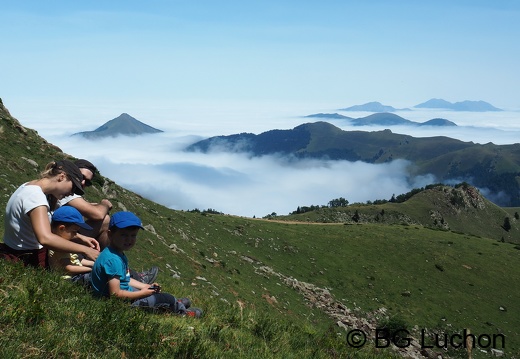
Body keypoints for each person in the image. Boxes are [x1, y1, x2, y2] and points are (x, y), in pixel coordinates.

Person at [58, 159, 158, 284]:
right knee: (105, 219)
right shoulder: (66, 193)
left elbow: (87, 208)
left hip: (62, 242)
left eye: (87, 182)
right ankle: (120, 270)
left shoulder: (66, 194)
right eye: (80, 177)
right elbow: (98, 214)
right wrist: (104, 203)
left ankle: (119, 268)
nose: (82, 183)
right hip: (59, 244)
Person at [91, 211, 202, 317]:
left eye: (133, 235)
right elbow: (115, 294)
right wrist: (142, 293)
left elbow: (125, 279)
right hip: (119, 305)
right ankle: (181, 311)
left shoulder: (113, 253)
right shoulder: (113, 260)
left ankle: (174, 303)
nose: (129, 239)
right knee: (166, 299)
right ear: (110, 235)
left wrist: (145, 287)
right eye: (124, 235)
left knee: (152, 294)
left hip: (124, 296)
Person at [1, 160, 100, 267]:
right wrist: (86, 250)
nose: (72, 193)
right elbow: (45, 238)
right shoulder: (36, 197)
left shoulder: (28, 186)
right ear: (62, 177)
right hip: (26, 256)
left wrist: (79, 237)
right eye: (73, 187)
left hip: (14, 249)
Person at [48, 206, 95, 286]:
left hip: (75, 275)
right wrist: (92, 269)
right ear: (61, 228)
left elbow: (79, 260)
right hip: (68, 279)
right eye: (74, 232)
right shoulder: (60, 248)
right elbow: (68, 268)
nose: (75, 235)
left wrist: (96, 263)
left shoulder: (65, 243)